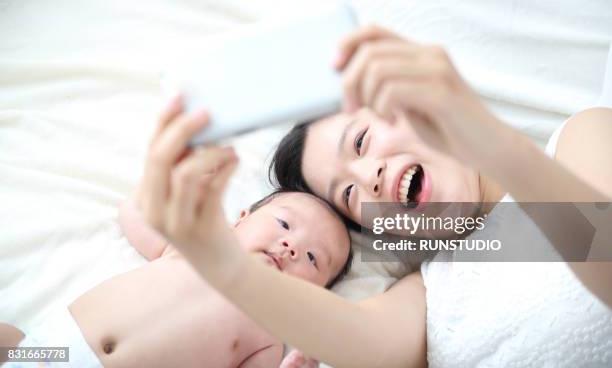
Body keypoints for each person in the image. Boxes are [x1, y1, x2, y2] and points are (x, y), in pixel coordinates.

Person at [137, 25, 612, 368]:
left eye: (361, 142)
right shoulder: (428, 295)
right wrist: (223, 262)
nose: (369, 178)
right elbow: (364, 342)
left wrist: (484, 135)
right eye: (349, 194)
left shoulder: (581, 140)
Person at [0, 100, 352, 368]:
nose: (291, 247)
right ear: (239, 219)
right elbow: (135, 211)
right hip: (48, 351)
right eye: (285, 224)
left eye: (312, 258)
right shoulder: (195, 248)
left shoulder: (269, 336)